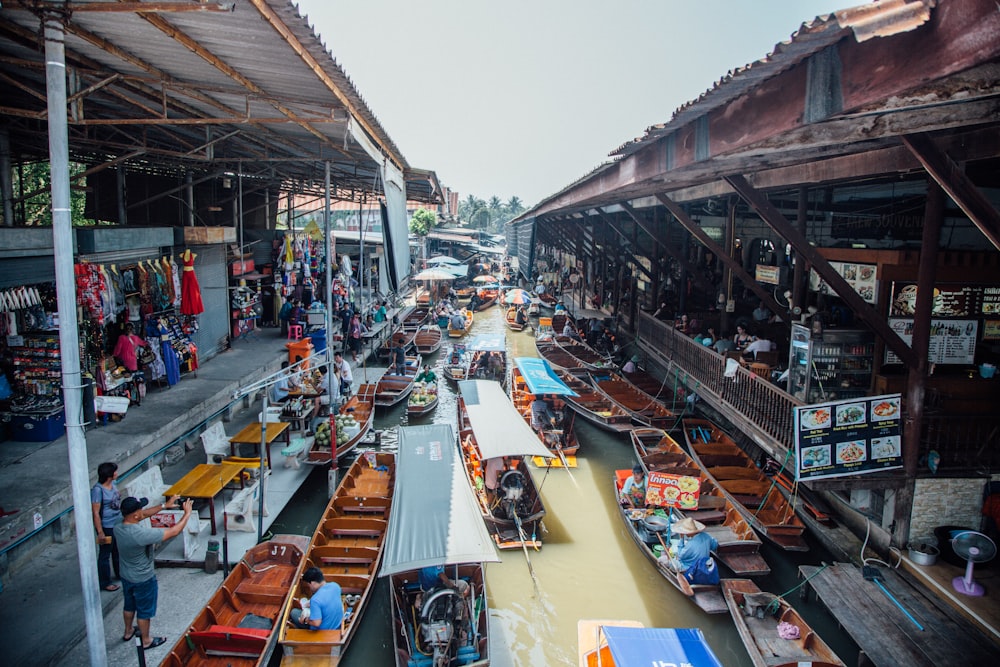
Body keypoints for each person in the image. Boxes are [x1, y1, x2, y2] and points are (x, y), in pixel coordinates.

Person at [116, 495, 193, 649]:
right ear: (135, 515)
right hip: (143, 578)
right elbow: (173, 532)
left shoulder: (118, 526)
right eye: (140, 509)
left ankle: (128, 631)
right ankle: (146, 640)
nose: (143, 511)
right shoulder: (140, 535)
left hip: (126, 575)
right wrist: (187, 514)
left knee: (129, 605)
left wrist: (164, 506)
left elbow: (143, 514)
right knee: (144, 611)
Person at [91, 462, 122, 592]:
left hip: (117, 521)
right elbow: (96, 513)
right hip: (106, 525)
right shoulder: (98, 490)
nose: (116, 473)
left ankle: (119, 573)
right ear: (109, 475)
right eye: (114, 472)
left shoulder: (113, 485)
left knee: (117, 550)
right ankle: (105, 582)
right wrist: (100, 531)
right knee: (105, 554)